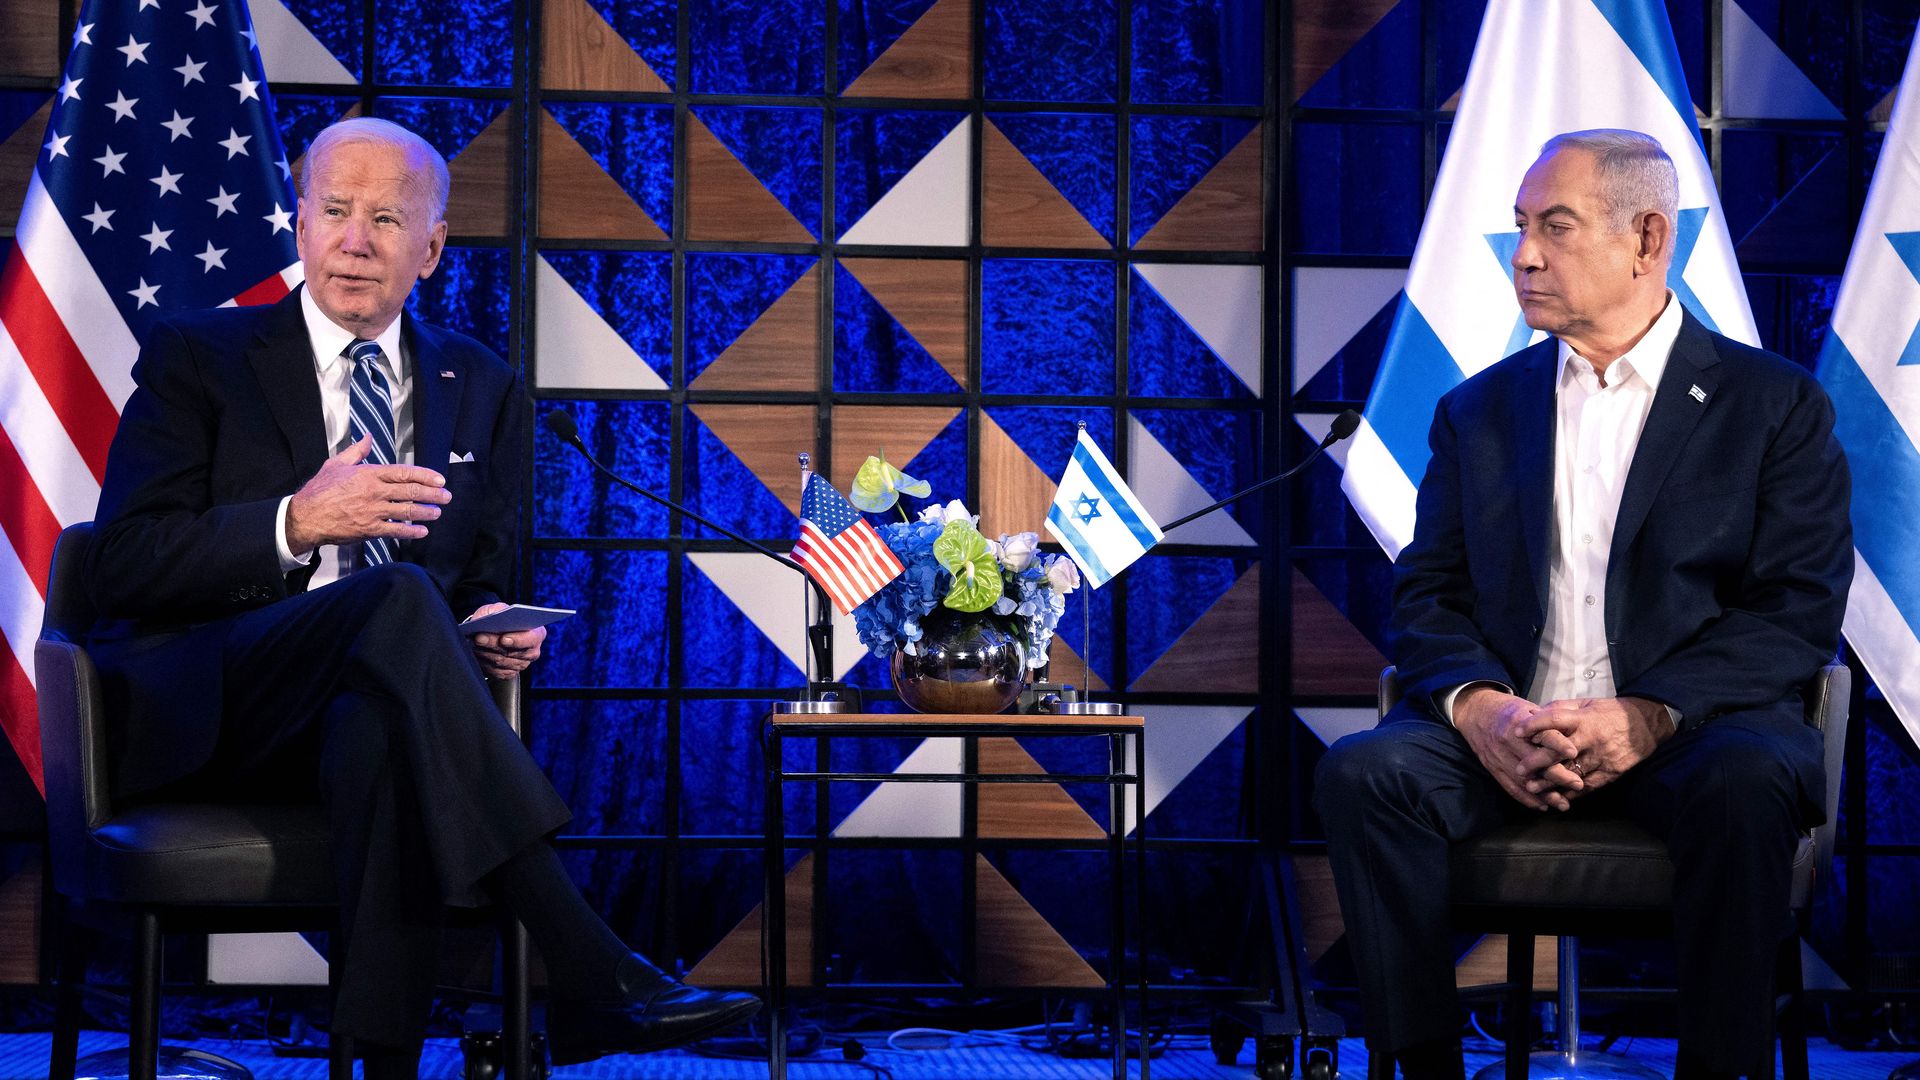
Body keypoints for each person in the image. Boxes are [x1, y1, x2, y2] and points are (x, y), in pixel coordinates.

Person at [84, 117, 758, 1078]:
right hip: (219, 697)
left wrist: (487, 623)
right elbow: (124, 564)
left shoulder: (480, 382)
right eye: (334, 212)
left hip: (378, 703)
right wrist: (298, 524)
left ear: (432, 247)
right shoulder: (198, 355)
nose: (356, 240)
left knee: (379, 723)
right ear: (300, 223)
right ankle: (591, 968)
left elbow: (479, 572)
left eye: (388, 218)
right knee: (399, 599)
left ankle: (378, 1062)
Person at [1313, 129, 1853, 1080]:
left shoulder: (1775, 406)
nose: (1523, 254)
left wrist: (1646, 716)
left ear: (1648, 241)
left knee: (1749, 782)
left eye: (1555, 227)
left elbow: (1794, 612)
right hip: (1514, 725)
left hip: (1693, 729)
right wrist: (1483, 710)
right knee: (1367, 773)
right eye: (1522, 226)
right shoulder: (1478, 410)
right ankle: (1423, 1068)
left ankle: (1720, 1072)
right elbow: (1429, 593)